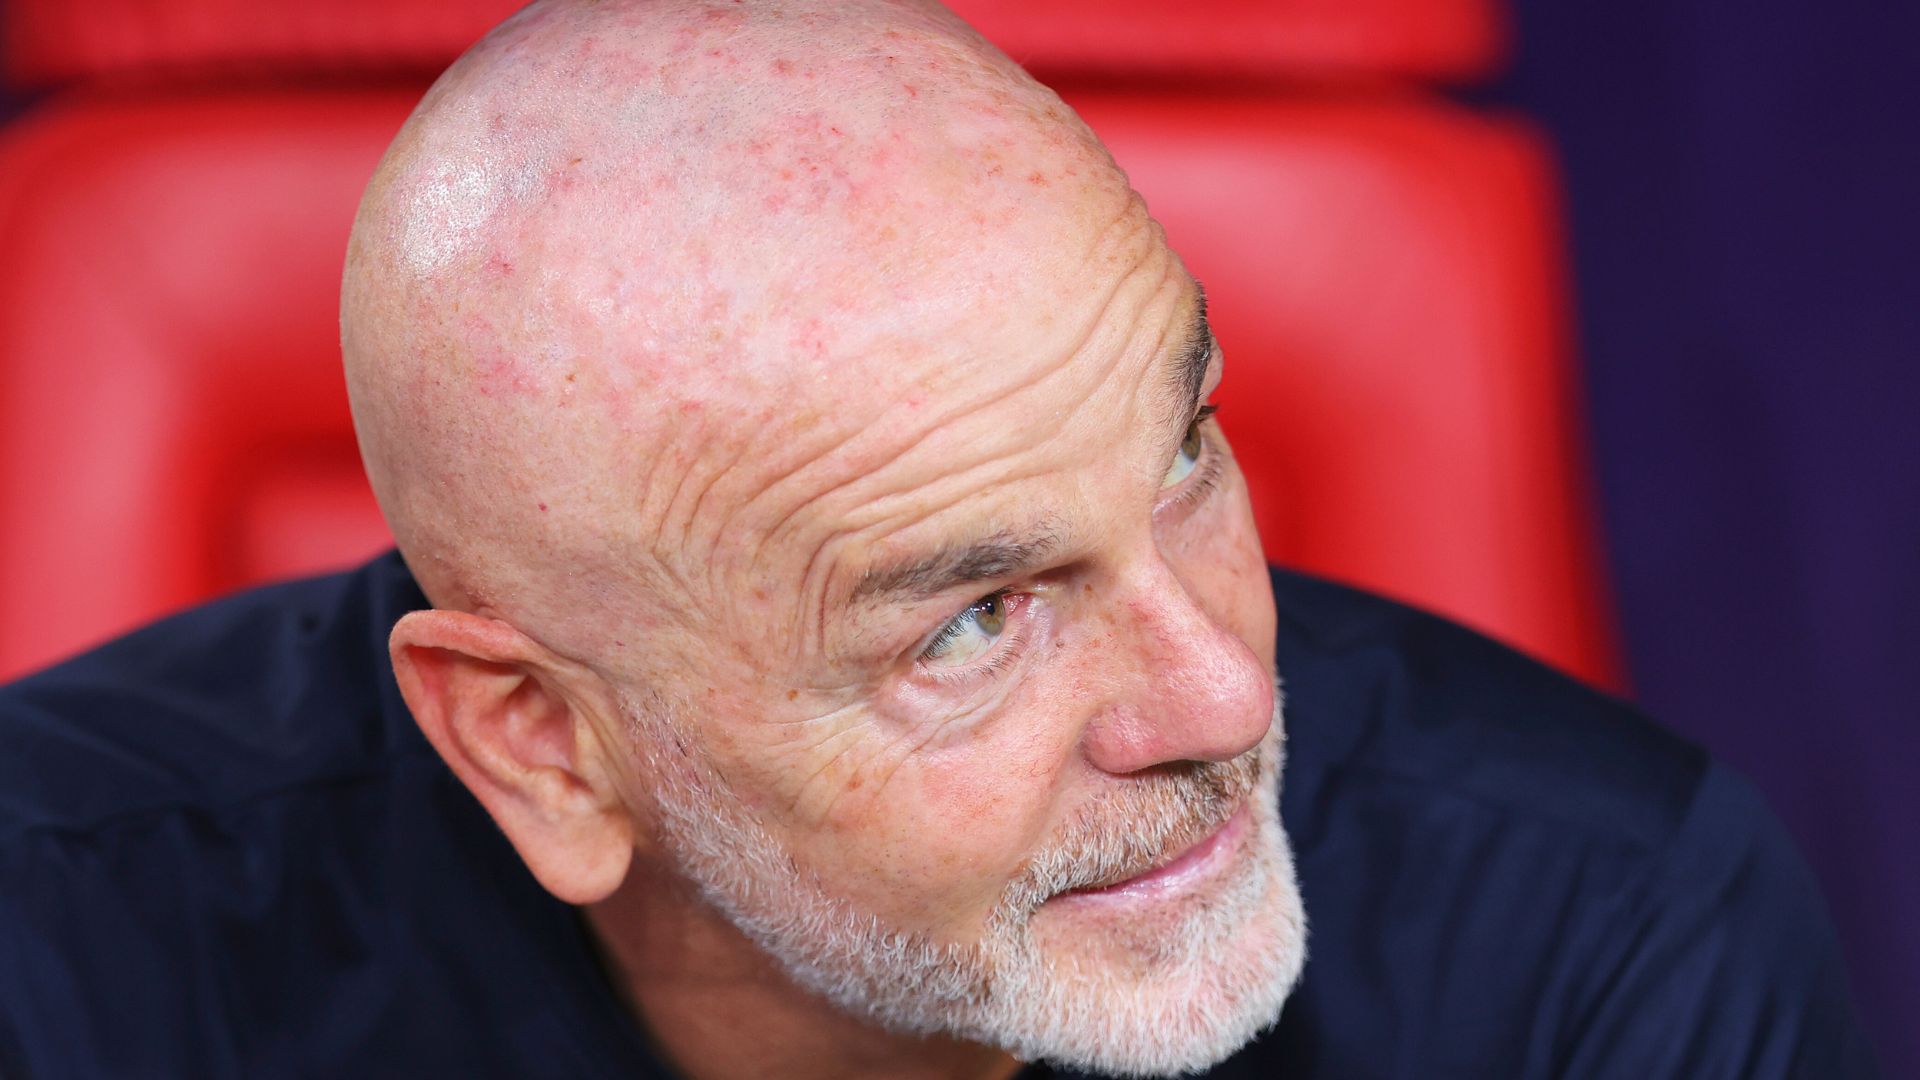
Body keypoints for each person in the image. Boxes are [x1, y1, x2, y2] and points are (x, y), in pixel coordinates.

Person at [0, 1, 1878, 1077]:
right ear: (543, 742)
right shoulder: (60, 955)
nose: (1225, 698)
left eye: (1185, 454)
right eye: (972, 621)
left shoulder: (1600, 946)